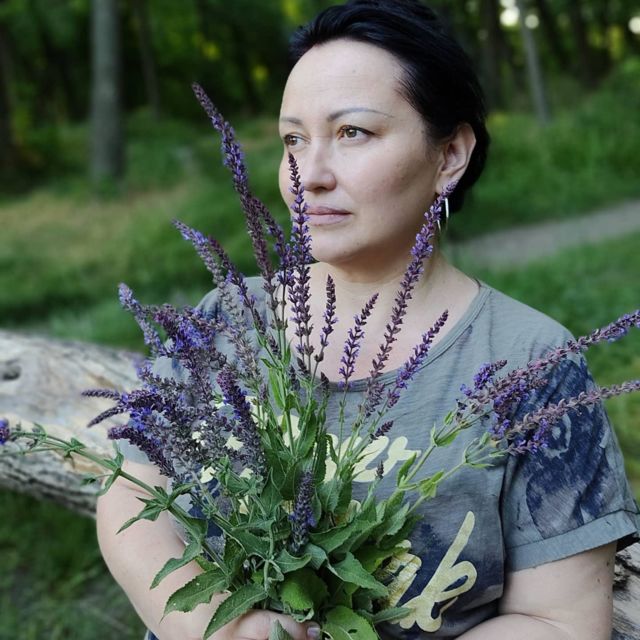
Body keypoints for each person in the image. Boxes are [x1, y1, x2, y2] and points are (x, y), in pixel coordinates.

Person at [96, 1, 640, 639]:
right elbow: (131, 491)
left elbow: (561, 622)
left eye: (352, 132)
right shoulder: (227, 320)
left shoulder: (531, 364)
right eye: (293, 139)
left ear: (450, 154)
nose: (309, 176)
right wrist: (217, 629)